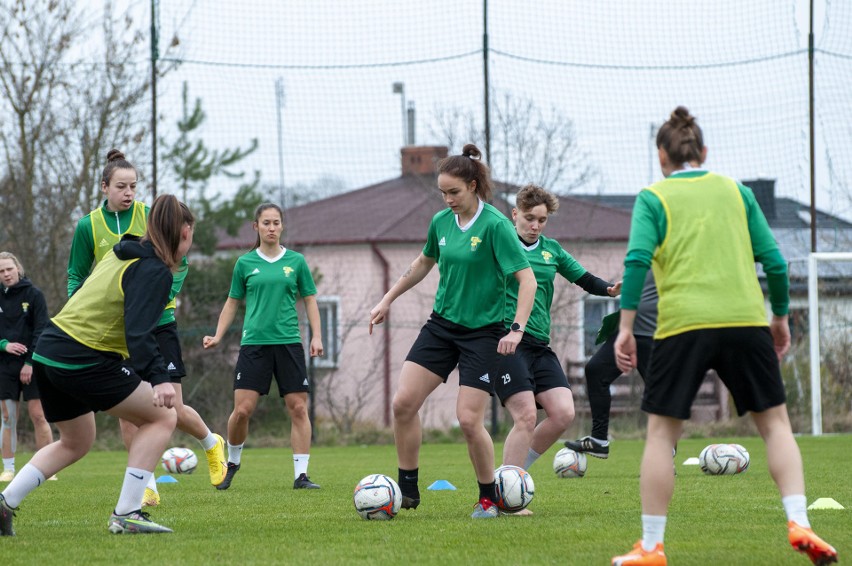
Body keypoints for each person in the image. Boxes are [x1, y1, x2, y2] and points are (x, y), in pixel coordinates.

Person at [611, 107, 836, 566]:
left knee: (660, 434)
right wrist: (778, 318)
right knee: (775, 426)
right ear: (704, 151)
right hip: (745, 321)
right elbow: (775, 262)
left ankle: (651, 547)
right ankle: (800, 522)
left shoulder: (653, 198)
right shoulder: (736, 191)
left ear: (661, 156)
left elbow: (636, 262)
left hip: (683, 325)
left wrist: (626, 327)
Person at [0, 194, 194, 536]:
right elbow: (139, 331)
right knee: (163, 416)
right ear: (185, 232)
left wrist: (159, 372)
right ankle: (128, 513)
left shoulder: (121, 252)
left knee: (76, 441)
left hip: (49, 350)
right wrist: (160, 378)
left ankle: (5, 503)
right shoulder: (154, 271)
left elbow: (146, 324)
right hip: (82, 355)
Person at [369, 144, 536, 519]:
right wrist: (387, 299)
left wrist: (516, 329)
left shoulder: (495, 225)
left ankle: (488, 498)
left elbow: (527, 281)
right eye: (443, 192)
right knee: (403, 403)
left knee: (467, 419)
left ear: (474, 186)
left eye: (454, 192)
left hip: (484, 333)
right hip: (442, 326)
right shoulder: (441, 222)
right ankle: (407, 488)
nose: (448, 199)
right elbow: (423, 262)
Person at [68, 150, 227, 503]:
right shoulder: (87, 226)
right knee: (128, 414)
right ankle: (146, 486)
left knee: (172, 410)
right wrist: (80, 309)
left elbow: (178, 260)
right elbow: (77, 275)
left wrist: (160, 295)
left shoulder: (151, 216)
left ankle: (210, 442)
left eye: (134, 186)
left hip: (159, 323)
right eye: (121, 186)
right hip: (117, 329)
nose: (129, 193)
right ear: (104, 187)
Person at [495, 185, 621, 476]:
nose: (535, 225)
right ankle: (505, 489)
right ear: (515, 215)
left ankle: (510, 477)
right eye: (529, 218)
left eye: (542, 219)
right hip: (507, 339)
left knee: (563, 412)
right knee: (525, 415)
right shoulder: (500, 244)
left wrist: (609, 289)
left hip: (539, 343)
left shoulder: (551, 250)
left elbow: (584, 279)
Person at [203, 203, 324, 491]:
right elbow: (232, 302)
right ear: (255, 226)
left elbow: (310, 300)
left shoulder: (296, 262)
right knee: (242, 411)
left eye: (276, 223)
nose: (272, 228)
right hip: (254, 345)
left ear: (282, 226)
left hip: (289, 344)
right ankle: (232, 462)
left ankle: (301, 476)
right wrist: (218, 335)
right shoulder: (245, 264)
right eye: (266, 223)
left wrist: (316, 336)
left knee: (298, 408)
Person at [564, 271, 656, 459]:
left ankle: (664, 450)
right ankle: (599, 440)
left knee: (657, 387)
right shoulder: (644, 251)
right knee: (596, 370)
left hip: (656, 329)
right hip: (629, 326)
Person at [0, 252, 53, 483]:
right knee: (8, 418)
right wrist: (4, 345)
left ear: (18, 269)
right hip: (5, 366)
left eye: (9, 269)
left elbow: (42, 331)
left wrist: (30, 362)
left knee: (39, 415)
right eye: (1, 271)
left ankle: (47, 467)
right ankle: (8, 468)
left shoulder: (34, 295)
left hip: (33, 364)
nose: (6, 274)